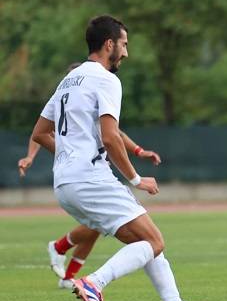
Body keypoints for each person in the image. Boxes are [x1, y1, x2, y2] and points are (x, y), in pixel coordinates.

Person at [31, 15, 219, 301]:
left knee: (144, 242)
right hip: (91, 179)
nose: (126, 53)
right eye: (124, 44)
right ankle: (94, 283)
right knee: (155, 241)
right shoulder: (106, 79)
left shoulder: (68, 80)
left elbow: (40, 132)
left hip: (64, 183)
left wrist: (72, 154)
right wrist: (135, 178)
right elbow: (110, 136)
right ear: (109, 44)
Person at [19, 105, 161, 289]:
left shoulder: (85, 95)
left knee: (98, 225)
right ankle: (63, 253)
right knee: (120, 228)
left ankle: (67, 273)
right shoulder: (72, 94)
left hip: (92, 171)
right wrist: (32, 156)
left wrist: (138, 151)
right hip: (81, 175)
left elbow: (114, 133)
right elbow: (40, 131)